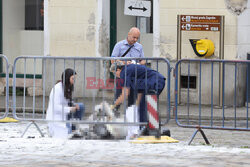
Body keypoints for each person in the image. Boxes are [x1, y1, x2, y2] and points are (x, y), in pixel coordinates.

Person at [111, 27, 146, 108]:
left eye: (137, 38)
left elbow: (143, 60)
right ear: (129, 35)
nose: (135, 40)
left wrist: (139, 64)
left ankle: (130, 116)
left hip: (134, 75)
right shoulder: (119, 45)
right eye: (134, 37)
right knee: (119, 96)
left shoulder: (139, 47)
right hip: (121, 75)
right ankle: (114, 113)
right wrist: (124, 62)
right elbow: (112, 60)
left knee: (133, 98)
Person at [46, 68, 85, 138]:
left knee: (81, 106)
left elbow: (67, 101)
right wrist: (70, 109)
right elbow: (56, 108)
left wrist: (73, 105)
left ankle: (74, 128)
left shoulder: (68, 87)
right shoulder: (57, 89)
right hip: (56, 117)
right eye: (73, 79)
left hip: (65, 114)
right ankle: (61, 129)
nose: (74, 81)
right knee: (68, 135)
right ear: (67, 78)